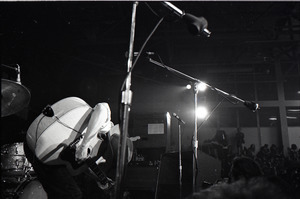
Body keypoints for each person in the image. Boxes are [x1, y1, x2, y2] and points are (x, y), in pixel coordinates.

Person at [24, 97, 132, 199]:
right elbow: (101, 108)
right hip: (41, 142)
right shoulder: (105, 126)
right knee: (73, 194)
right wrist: (84, 145)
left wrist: (98, 178)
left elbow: (80, 165)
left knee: (74, 193)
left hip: (44, 154)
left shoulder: (99, 151)